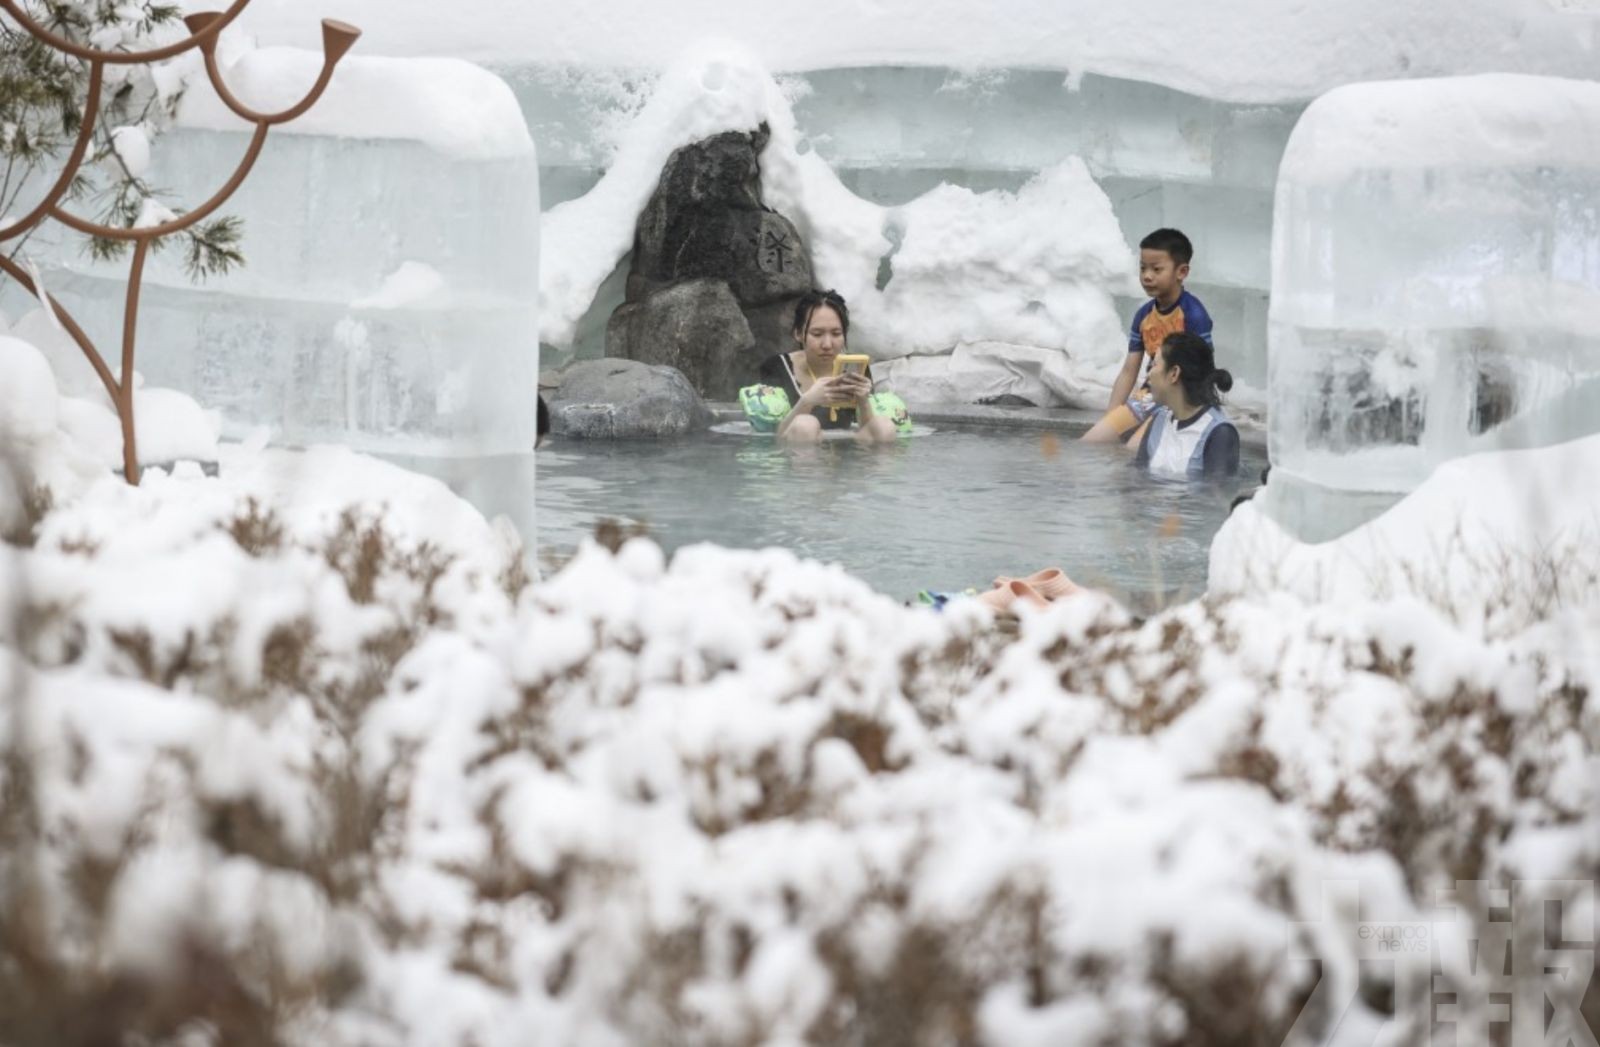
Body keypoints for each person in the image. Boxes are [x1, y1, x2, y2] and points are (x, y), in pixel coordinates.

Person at [1081, 228, 1213, 444]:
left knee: (1135, 451)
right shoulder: (1144, 316)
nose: (1147, 276)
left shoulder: (1193, 315)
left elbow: (1205, 370)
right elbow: (1128, 371)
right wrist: (1111, 417)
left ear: (1181, 272)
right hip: (1150, 395)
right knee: (1092, 442)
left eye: (1156, 269)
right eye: (1143, 268)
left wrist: (1188, 412)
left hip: (1181, 400)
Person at [739, 289, 910, 444]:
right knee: (805, 425)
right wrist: (807, 400)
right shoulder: (778, 367)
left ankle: (877, 479)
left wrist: (864, 402)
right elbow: (770, 436)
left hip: (848, 459)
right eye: (817, 334)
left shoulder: (854, 367)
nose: (827, 344)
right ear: (798, 333)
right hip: (796, 461)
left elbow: (866, 430)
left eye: (836, 334)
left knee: (884, 427)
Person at [1133, 330, 1240, 479]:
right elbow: (1137, 479)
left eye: (1154, 365)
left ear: (1174, 374)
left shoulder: (1219, 433)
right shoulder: (1158, 420)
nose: (1149, 373)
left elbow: (1217, 498)